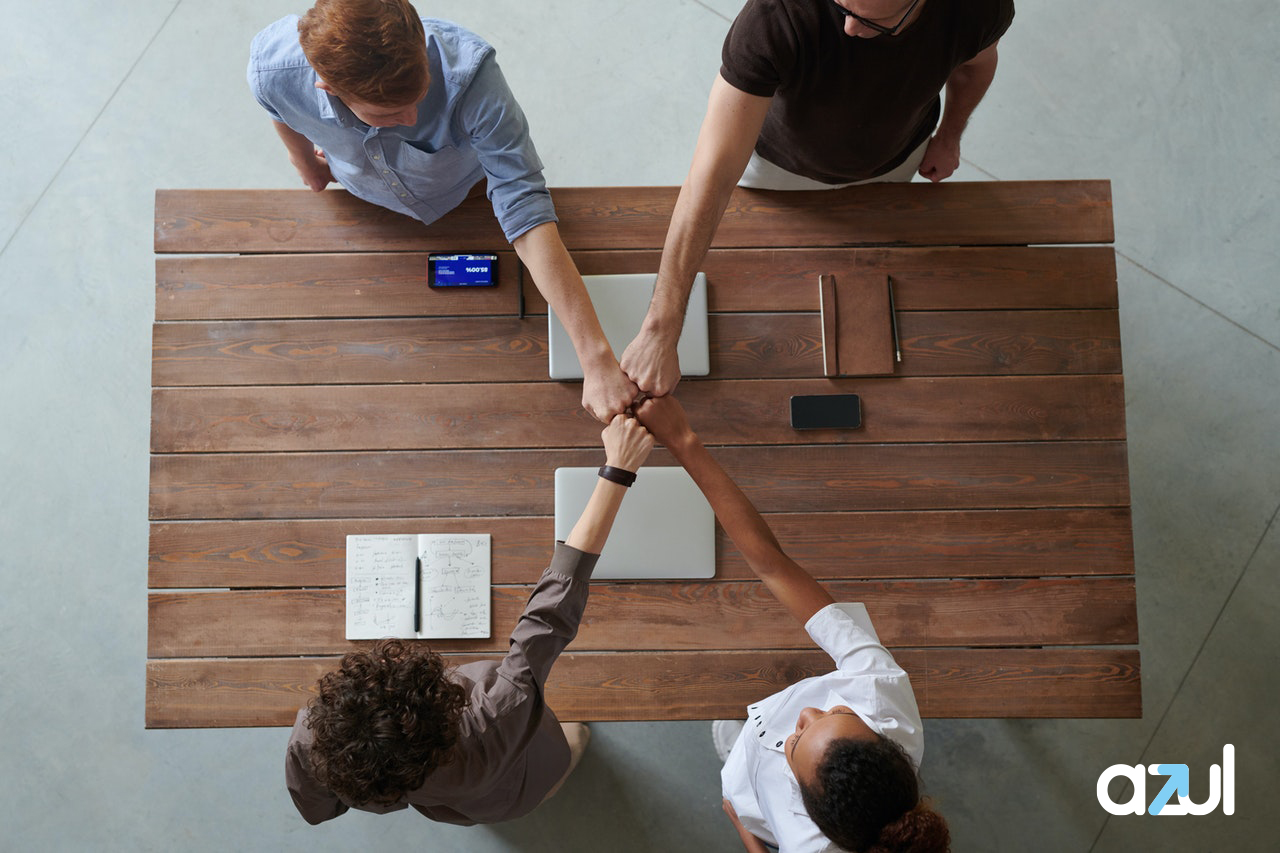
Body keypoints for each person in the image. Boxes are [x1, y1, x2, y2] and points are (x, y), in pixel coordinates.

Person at [248, 0, 636, 421]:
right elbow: (275, 105)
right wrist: (303, 160)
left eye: (419, 95)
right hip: (367, 208)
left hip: (466, 191)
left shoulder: (471, 76)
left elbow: (522, 201)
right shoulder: (273, 70)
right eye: (389, 114)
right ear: (327, 86)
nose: (413, 117)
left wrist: (596, 360)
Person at [620, 0, 1015, 397]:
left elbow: (976, 65)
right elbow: (713, 173)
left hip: (897, 159)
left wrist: (949, 137)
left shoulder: (977, 7)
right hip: (776, 168)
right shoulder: (773, 17)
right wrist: (660, 327)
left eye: (868, 21)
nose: (848, 30)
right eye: (839, 7)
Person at [284, 414, 655, 825]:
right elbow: (549, 614)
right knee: (568, 744)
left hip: (472, 804)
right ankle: (576, 744)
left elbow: (316, 809)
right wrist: (617, 469)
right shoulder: (490, 720)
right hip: (520, 779)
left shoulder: (315, 736)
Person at [635, 395, 947, 853]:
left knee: (740, 765)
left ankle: (742, 753)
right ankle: (754, 743)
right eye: (840, 713)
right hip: (769, 786)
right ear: (892, 748)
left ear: (802, 806)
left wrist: (748, 833)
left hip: (748, 795)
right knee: (753, 738)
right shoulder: (879, 690)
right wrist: (683, 441)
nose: (809, 712)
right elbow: (773, 566)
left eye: (797, 738)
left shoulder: (809, 846)